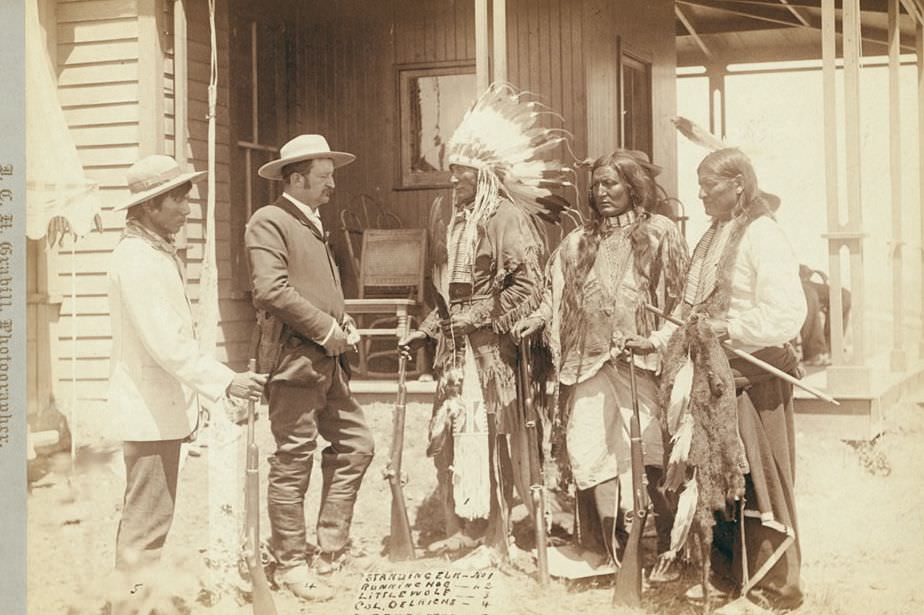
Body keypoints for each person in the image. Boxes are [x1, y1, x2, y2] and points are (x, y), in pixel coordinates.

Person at [628, 148, 806, 613]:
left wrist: (733, 329)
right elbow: (690, 310)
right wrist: (657, 340)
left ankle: (774, 587)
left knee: (755, 478)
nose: (701, 192)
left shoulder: (763, 236)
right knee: (714, 476)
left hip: (753, 376)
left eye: (710, 184)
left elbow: (788, 313)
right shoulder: (710, 238)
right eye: (700, 182)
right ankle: (730, 578)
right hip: (711, 375)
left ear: (739, 186)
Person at [399, 83, 566, 561]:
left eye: (463, 175)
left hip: (495, 354)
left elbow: (527, 285)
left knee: (500, 436)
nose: (454, 184)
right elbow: (451, 296)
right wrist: (427, 330)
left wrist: (476, 320)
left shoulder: (505, 219)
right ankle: (469, 526)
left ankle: (501, 532)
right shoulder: (455, 222)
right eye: (451, 175)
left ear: (486, 176)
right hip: (457, 353)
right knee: (453, 436)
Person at [512, 150, 688, 573]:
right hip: (587, 362)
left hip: (642, 362)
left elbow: (685, 297)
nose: (602, 192)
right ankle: (606, 548)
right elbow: (555, 295)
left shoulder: (661, 233)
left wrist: (658, 340)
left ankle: (665, 547)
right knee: (589, 451)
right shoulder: (578, 242)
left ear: (633, 186)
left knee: (650, 450)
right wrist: (537, 318)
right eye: (596, 186)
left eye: (612, 184)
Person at [107, 154, 267, 573]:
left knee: (146, 519)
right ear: (148, 206)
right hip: (148, 412)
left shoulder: (155, 253)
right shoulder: (138, 260)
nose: (186, 208)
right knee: (147, 525)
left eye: (187, 198)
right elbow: (167, 344)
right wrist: (227, 380)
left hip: (159, 410)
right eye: (177, 200)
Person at [244, 134, 373, 602]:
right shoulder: (269, 222)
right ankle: (291, 565)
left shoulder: (312, 222)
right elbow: (271, 290)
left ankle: (330, 550)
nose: (333, 185)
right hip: (294, 362)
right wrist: (324, 328)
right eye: (324, 177)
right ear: (296, 179)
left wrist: (343, 320)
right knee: (293, 461)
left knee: (357, 446)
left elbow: (314, 288)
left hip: (329, 360)